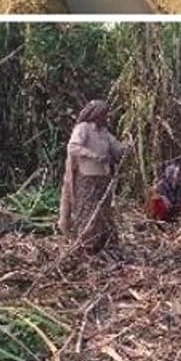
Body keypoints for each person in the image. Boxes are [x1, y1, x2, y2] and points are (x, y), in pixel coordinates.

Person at [58, 100, 128, 253]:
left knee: (104, 212)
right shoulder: (83, 128)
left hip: (103, 177)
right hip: (87, 177)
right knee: (88, 211)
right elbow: (73, 146)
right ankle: (86, 245)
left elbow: (116, 148)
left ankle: (105, 244)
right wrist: (94, 156)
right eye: (104, 114)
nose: (106, 117)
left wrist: (126, 147)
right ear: (96, 115)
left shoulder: (104, 133)